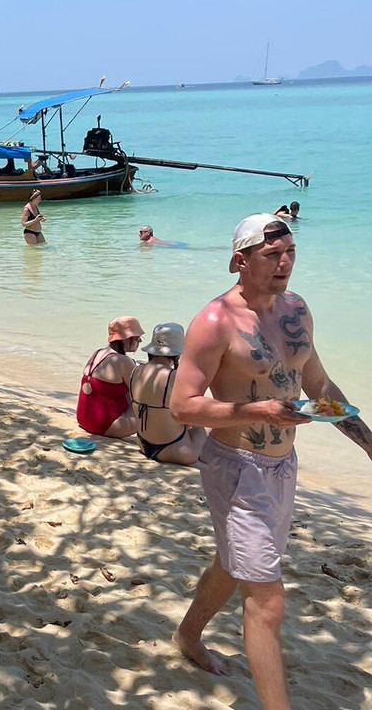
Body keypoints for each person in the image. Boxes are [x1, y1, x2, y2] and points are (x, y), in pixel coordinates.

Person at [169, 213, 372, 709]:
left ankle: (187, 636)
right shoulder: (215, 322)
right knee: (267, 601)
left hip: (283, 466)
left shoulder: (297, 310)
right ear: (240, 260)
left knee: (234, 564)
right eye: (272, 255)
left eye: (291, 254)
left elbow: (319, 385)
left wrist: (367, 441)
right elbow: (182, 405)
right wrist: (255, 410)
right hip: (236, 468)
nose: (285, 263)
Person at [129, 322, 206, 465]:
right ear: (177, 353)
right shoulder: (174, 376)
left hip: (142, 444)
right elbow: (189, 417)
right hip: (175, 451)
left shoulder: (135, 371)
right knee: (200, 428)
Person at [76, 316, 143, 439]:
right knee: (150, 404)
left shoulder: (98, 353)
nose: (140, 342)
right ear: (124, 340)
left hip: (84, 419)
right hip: (105, 425)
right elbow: (142, 392)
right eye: (137, 338)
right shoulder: (123, 361)